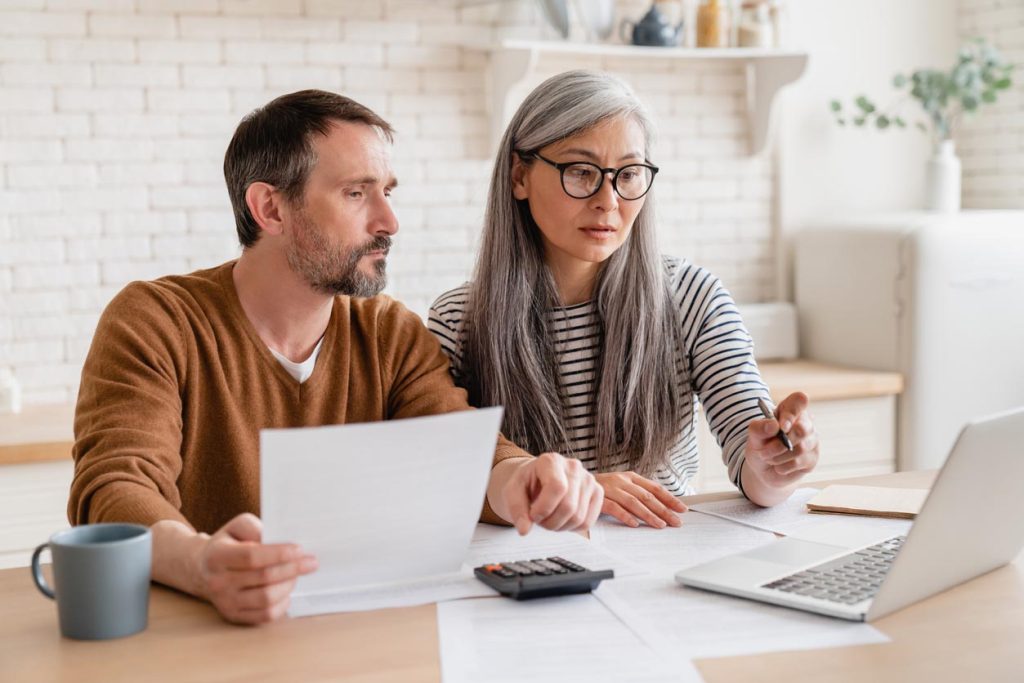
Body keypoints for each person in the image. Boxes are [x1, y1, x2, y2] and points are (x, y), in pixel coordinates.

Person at [68, 89, 603, 625]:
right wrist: (201, 563)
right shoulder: (158, 321)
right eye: (355, 193)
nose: (389, 221)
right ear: (270, 208)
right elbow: (114, 489)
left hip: (352, 631)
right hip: (200, 634)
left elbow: (462, 452)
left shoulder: (389, 332)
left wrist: (526, 480)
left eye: (387, 192)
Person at [428, 70, 820, 530]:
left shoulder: (691, 296)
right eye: (580, 172)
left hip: (659, 557)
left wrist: (776, 462)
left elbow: (754, 469)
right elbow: (447, 479)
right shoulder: (459, 320)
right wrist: (585, 493)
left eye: (629, 174)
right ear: (519, 175)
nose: (608, 201)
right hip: (526, 567)